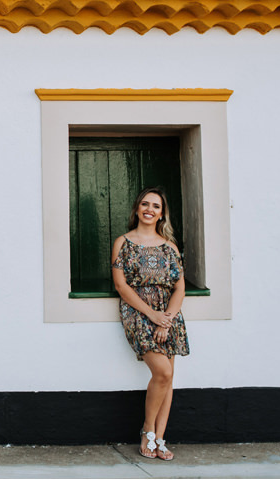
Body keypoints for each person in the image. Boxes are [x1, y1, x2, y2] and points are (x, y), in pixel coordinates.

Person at [111, 186, 189, 461]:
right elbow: (121, 286)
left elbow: (179, 288)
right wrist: (152, 316)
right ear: (136, 209)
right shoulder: (123, 242)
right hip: (138, 312)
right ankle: (148, 431)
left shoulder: (170, 247)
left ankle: (161, 439)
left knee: (168, 379)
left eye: (156, 206)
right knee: (163, 373)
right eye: (145, 204)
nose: (149, 209)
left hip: (168, 315)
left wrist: (166, 319)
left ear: (161, 214)